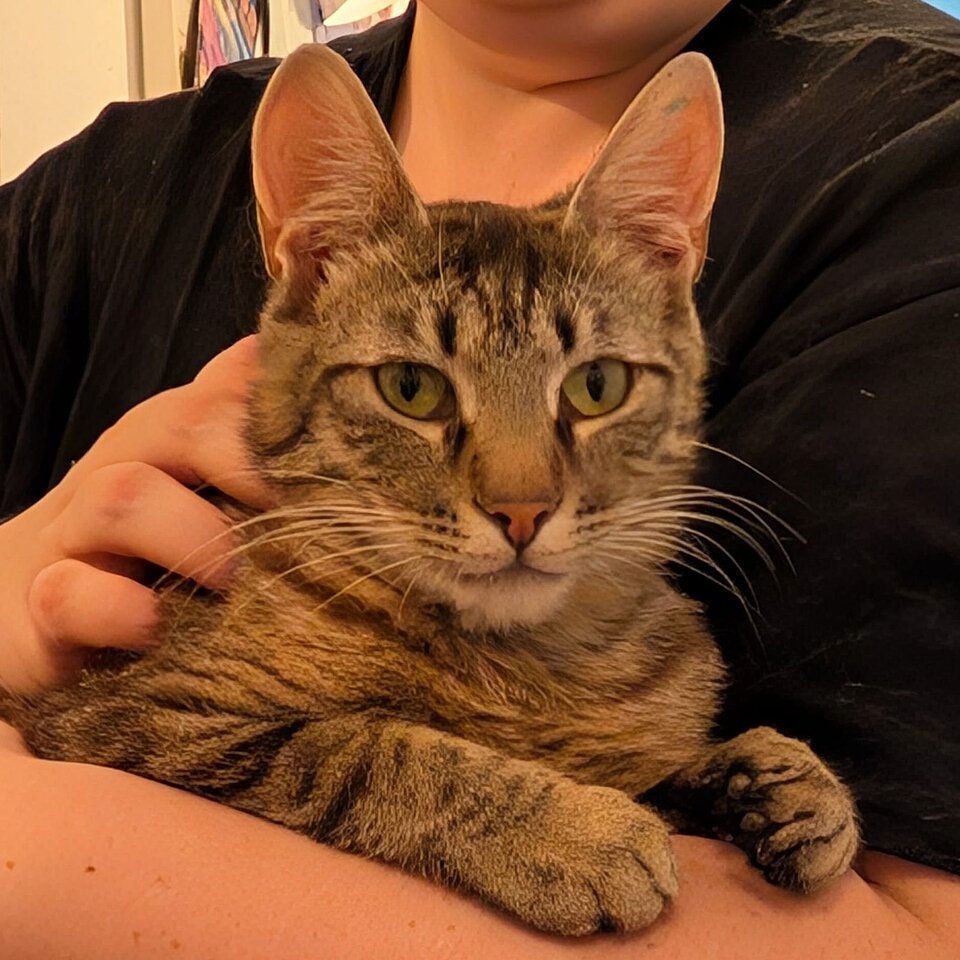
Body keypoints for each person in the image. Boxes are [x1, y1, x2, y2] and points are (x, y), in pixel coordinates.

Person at [1, 0, 958, 956]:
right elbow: (135, 733)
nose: (519, 496)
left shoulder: (916, 151)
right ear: (312, 268)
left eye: (595, 387)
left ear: (671, 279)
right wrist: (465, 807)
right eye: (413, 388)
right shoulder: (83, 204)